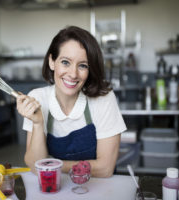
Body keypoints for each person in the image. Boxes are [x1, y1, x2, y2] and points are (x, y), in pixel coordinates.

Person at [16, 26, 126, 178]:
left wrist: (51, 165)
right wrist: (38, 123)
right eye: (65, 62)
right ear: (52, 62)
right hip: (55, 188)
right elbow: (35, 165)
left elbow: (105, 168)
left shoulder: (103, 99)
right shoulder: (38, 98)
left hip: (98, 189)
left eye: (82, 65)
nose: (73, 74)